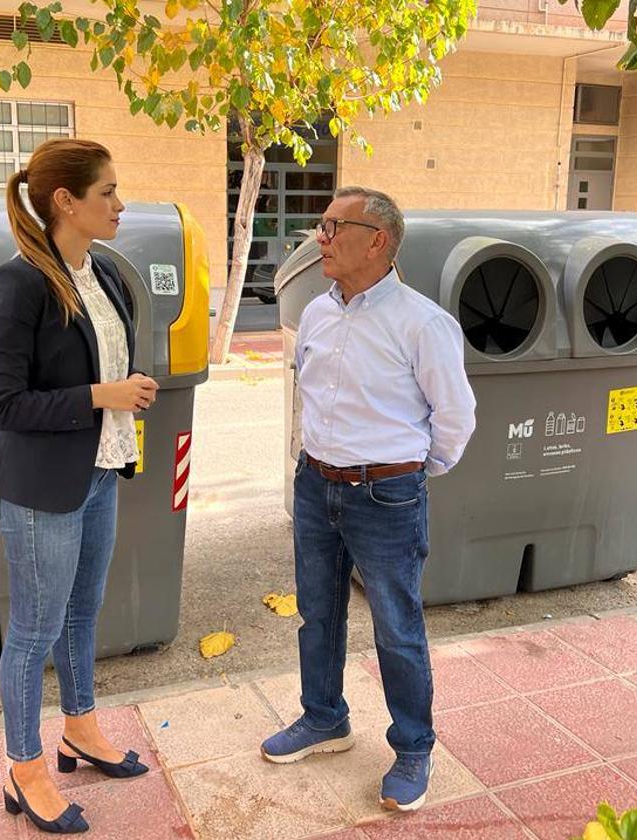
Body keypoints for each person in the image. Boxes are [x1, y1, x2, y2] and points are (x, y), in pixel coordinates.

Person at [260, 186, 477, 812]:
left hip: (386, 494)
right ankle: (324, 717)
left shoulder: (423, 323)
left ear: (377, 240)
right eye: (321, 225)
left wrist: (407, 472)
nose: (320, 237)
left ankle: (413, 747)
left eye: (333, 226)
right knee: (317, 613)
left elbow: (454, 417)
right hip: (315, 484)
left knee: (397, 628)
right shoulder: (319, 314)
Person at [0, 138, 159, 835]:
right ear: (65, 201)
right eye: (107, 191)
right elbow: (1, 405)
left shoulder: (105, 273)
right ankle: (23, 769)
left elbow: (108, 364)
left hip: (99, 475)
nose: (119, 203)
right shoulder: (19, 282)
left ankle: (79, 729)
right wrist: (99, 393)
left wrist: (118, 395)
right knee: (32, 632)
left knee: (82, 617)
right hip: (38, 491)